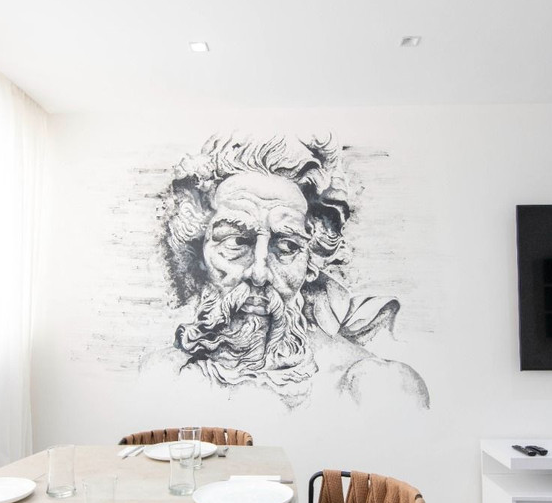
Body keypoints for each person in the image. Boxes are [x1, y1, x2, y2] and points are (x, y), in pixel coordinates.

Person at [142, 133, 429, 410]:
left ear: (311, 262)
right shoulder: (162, 374)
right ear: (200, 254)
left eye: (287, 246)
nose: (259, 274)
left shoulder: (374, 386)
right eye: (236, 242)